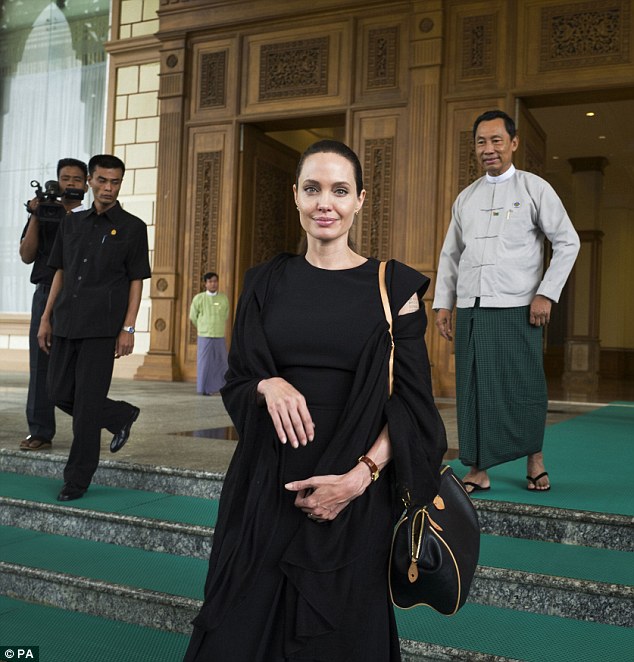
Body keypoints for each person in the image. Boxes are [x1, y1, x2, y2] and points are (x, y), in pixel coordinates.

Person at [184, 140, 447, 662]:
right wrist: (266, 384)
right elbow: (237, 381)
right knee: (238, 628)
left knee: (339, 639)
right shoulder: (264, 281)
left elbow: (416, 409)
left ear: (360, 201)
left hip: (355, 490)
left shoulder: (394, 287)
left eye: (339, 190)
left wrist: (358, 479)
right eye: (313, 189)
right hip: (266, 487)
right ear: (296, 197)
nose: (325, 202)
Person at [433, 109, 580, 493]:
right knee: (473, 388)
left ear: (513, 143)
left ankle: (535, 459)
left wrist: (546, 292)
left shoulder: (535, 188)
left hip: (518, 306)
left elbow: (568, 241)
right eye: (481, 142)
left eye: (497, 140)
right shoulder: (466, 198)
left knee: (524, 386)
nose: (489, 149)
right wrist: (444, 303)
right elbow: (451, 254)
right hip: (471, 307)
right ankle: (478, 467)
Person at [37, 154, 151, 502]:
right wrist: (46, 317)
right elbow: (60, 271)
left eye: (115, 182)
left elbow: (136, 280)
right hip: (66, 321)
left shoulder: (132, 227)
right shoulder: (72, 223)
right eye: (102, 180)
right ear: (89, 180)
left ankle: (76, 480)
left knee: (86, 409)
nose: (108, 188)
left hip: (102, 329)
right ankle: (119, 414)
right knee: (57, 393)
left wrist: (128, 329)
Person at [19, 158, 88, 451]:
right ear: (57, 181)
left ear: (86, 184)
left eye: (76, 179)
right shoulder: (46, 212)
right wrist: (36, 214)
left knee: (80, 366)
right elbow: (26, 254)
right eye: (65, 178)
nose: (70, 183)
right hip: (46, 292)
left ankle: (86, 430)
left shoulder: (91, 216)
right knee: (41, 364)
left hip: (82, 295)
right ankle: (40, 431)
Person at [189, 272, 230, 395]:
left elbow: (226, 315)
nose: (213, 284)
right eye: (210, 281)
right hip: (204, 335)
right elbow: (193, 316)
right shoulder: (199, 298)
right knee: (204, 363)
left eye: (215, 281)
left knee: (222, 362)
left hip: (219, 334)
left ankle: (220, 388)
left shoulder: (223, 298)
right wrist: (202, 326)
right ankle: (203, 389)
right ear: (205, 283)